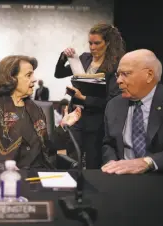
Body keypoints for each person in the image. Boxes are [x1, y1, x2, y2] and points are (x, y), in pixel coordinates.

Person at [0, 55, 82, 169]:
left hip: (40, 175)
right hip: (8, 178)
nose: (34, 79)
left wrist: (63, 125)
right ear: (11, 79)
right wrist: (0, 167)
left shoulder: (36, 109)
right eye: (28, 75)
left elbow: (48, 148)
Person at [101, 49, 163, 174]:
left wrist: (148, 162)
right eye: (118, 75)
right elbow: (108, 144)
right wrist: (112, 164)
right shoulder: (113, 105)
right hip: (123, 180)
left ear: (149, 75)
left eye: (125, 74)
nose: (118, 80)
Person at [54, 23, 125, 168]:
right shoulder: (85, 58)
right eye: (90, 43)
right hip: (76, 117)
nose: (92, 47)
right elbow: (59, 74)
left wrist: (84, 98)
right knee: (72, 160)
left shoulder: (115, 65)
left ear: (108, 42)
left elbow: (112, 100)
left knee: (93, 162)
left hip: (96, 121)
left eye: (97, 43)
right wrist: (63, 57)